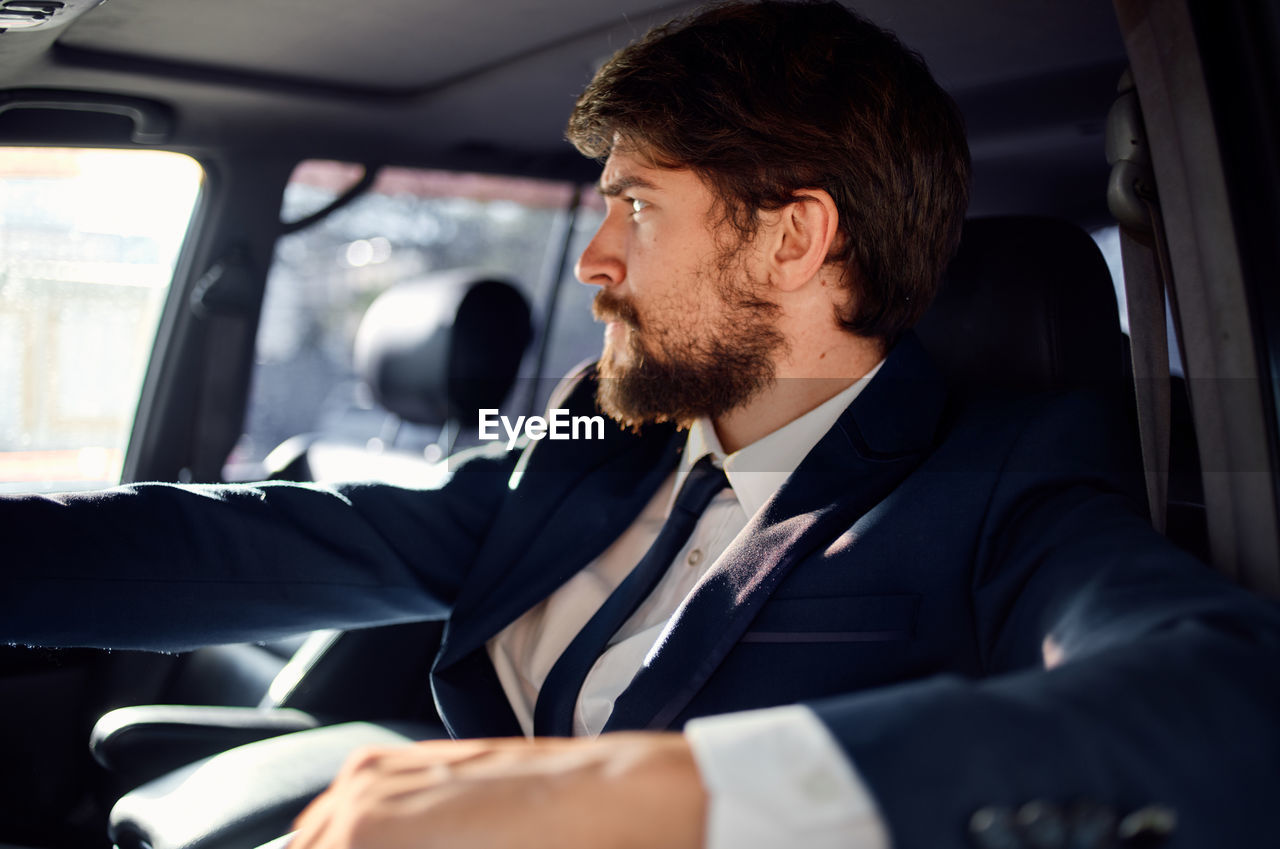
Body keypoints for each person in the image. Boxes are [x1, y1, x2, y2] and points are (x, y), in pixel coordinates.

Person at [5, 2, 1280, 848]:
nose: (592, 261)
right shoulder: (591, 438)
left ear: (792, 237)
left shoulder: (1004, 481)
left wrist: (664, 795)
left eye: (636, 207)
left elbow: (1229, 706)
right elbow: (304, 537)